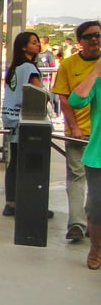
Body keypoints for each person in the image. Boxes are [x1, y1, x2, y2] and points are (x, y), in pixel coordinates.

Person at [52, 20, 101, 241]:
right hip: (79, 133)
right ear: (80, 42)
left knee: (97, 188)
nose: (95, 39)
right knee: (77, 177)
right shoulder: (69, 65)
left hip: (98, 134)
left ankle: (94, 222)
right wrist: (73, 126)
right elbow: (65, 98)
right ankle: (78, 224)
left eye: (98, 35)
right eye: (89, 36)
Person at [0, 32, 48, 217]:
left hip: (11, 118)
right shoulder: (29, 68)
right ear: (23, 47)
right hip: (26, 119)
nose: (38, 45)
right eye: (34, 43)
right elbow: (38, 91)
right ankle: (32, 203)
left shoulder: (14, 68)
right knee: (32, 164)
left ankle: (10, 202)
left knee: (15, 163)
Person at [67, 56, 101, 269]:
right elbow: (76, 101)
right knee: (97, 208)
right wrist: (96, 71)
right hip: (98, 156)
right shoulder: (97, 81)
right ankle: (96, 248)